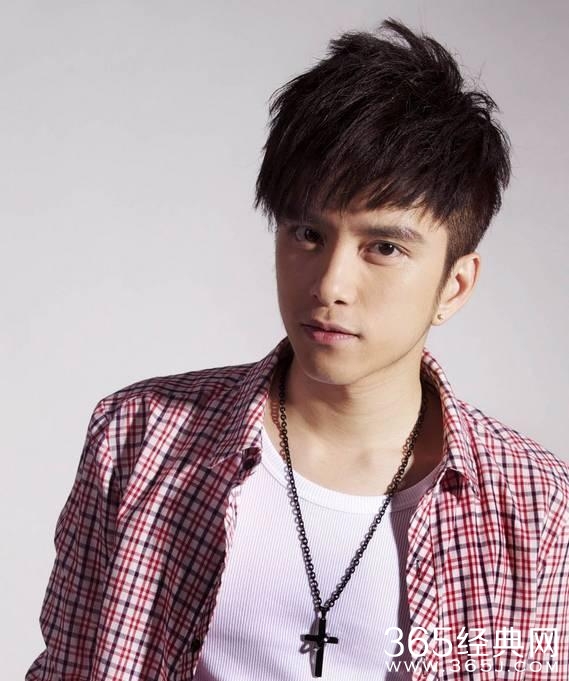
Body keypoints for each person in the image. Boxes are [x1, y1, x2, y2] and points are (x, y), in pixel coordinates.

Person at [26, 19, 568, 681]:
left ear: (453, 286)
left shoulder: (534, 504)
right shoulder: (138, 439)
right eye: (307, 234)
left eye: (383, 248)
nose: (330, 284)